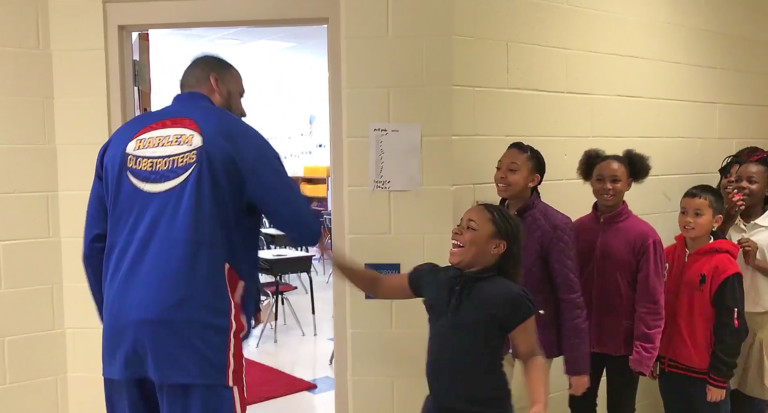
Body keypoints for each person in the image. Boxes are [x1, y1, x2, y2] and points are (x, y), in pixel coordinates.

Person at [83, 55, 322, 413]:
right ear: (216, 84)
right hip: (197, 333)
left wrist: (117, 314)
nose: (242, 109)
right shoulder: (235, 135)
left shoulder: (119, 141)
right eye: (239, 95)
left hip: (123, 337)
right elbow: (301, 227)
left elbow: (94, 246)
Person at [326, 204, 549, 413]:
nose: (457, 231)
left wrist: (538, 403)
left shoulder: (508, 295)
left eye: (470, 227)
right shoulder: (436, 279)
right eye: (459, 224)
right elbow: (378, 285)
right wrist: (331, 255)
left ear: (496, 246)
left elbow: (531, 355)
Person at [569, 148, 665, 413]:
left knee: (621, 408)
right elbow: (568, 289)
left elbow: (652, 300)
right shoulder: (577, 230)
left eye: (615, 180)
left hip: (625, 345)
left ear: (628, 184)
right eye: (599, 179)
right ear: (590, 180)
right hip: (583, 341)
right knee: (579, 406)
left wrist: (645, 351)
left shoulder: (644, 236)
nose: (607, 187)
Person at [494, 142, 590, 398]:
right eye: (499, 168)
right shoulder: (487, 219)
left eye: (512, 170)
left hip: (532, 340)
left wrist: (578, 365)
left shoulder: (554, 225)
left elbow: (570, 297)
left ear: (533, 180)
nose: (502, 175)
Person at [655, 184, 747, 413]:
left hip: (706, 377)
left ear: (716, 221)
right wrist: (654, 355)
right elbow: (656, 311)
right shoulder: (667, 256)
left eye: (698, 214)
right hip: (670, 370)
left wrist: (719, 377)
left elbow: (732, 327)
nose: (688, 219)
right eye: (683, 212)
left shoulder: (724, 266)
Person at [718, 151, 768, 412]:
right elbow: (705, 255)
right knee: (726, 396)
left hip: (762, 324)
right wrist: (726, 218)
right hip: (728, 321)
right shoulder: (724, 221)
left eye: (752, 181)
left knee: (756, 401)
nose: (742, 186)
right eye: (739, 180)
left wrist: (756, 262)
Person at [716, 147, 763, 236]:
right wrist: (725, 223)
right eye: (726, 176)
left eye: (751, 181)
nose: (731, 180)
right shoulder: (714, 214)